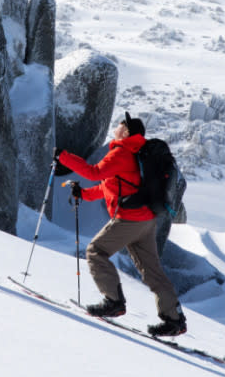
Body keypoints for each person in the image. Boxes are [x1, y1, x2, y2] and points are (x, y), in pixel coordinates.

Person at [57, 112, 186, 337]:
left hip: (130, 220)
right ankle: (174, 319)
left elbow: (93, 172)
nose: (116, 126)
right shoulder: (138, 153)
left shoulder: (121, 152)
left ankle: (113, 301)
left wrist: (62, 157)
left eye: (120, 124)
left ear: (126, 131)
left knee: (95, 251)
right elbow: (111, 186)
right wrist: (84, 194)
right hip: (146, 220)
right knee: (153, 271)